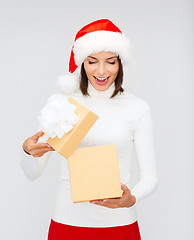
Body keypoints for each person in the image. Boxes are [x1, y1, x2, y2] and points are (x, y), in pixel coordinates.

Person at [21, 19, 158, 240]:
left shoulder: (137, 108)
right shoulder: (61, 104)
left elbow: (150, 176)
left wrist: (131, 198)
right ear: (82, 63)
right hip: (67, 223)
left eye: (110, 61)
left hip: (120, 225)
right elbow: (32, 173)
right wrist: (28, 152)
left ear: (120, 63)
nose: (101, 71)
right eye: (92, 61)